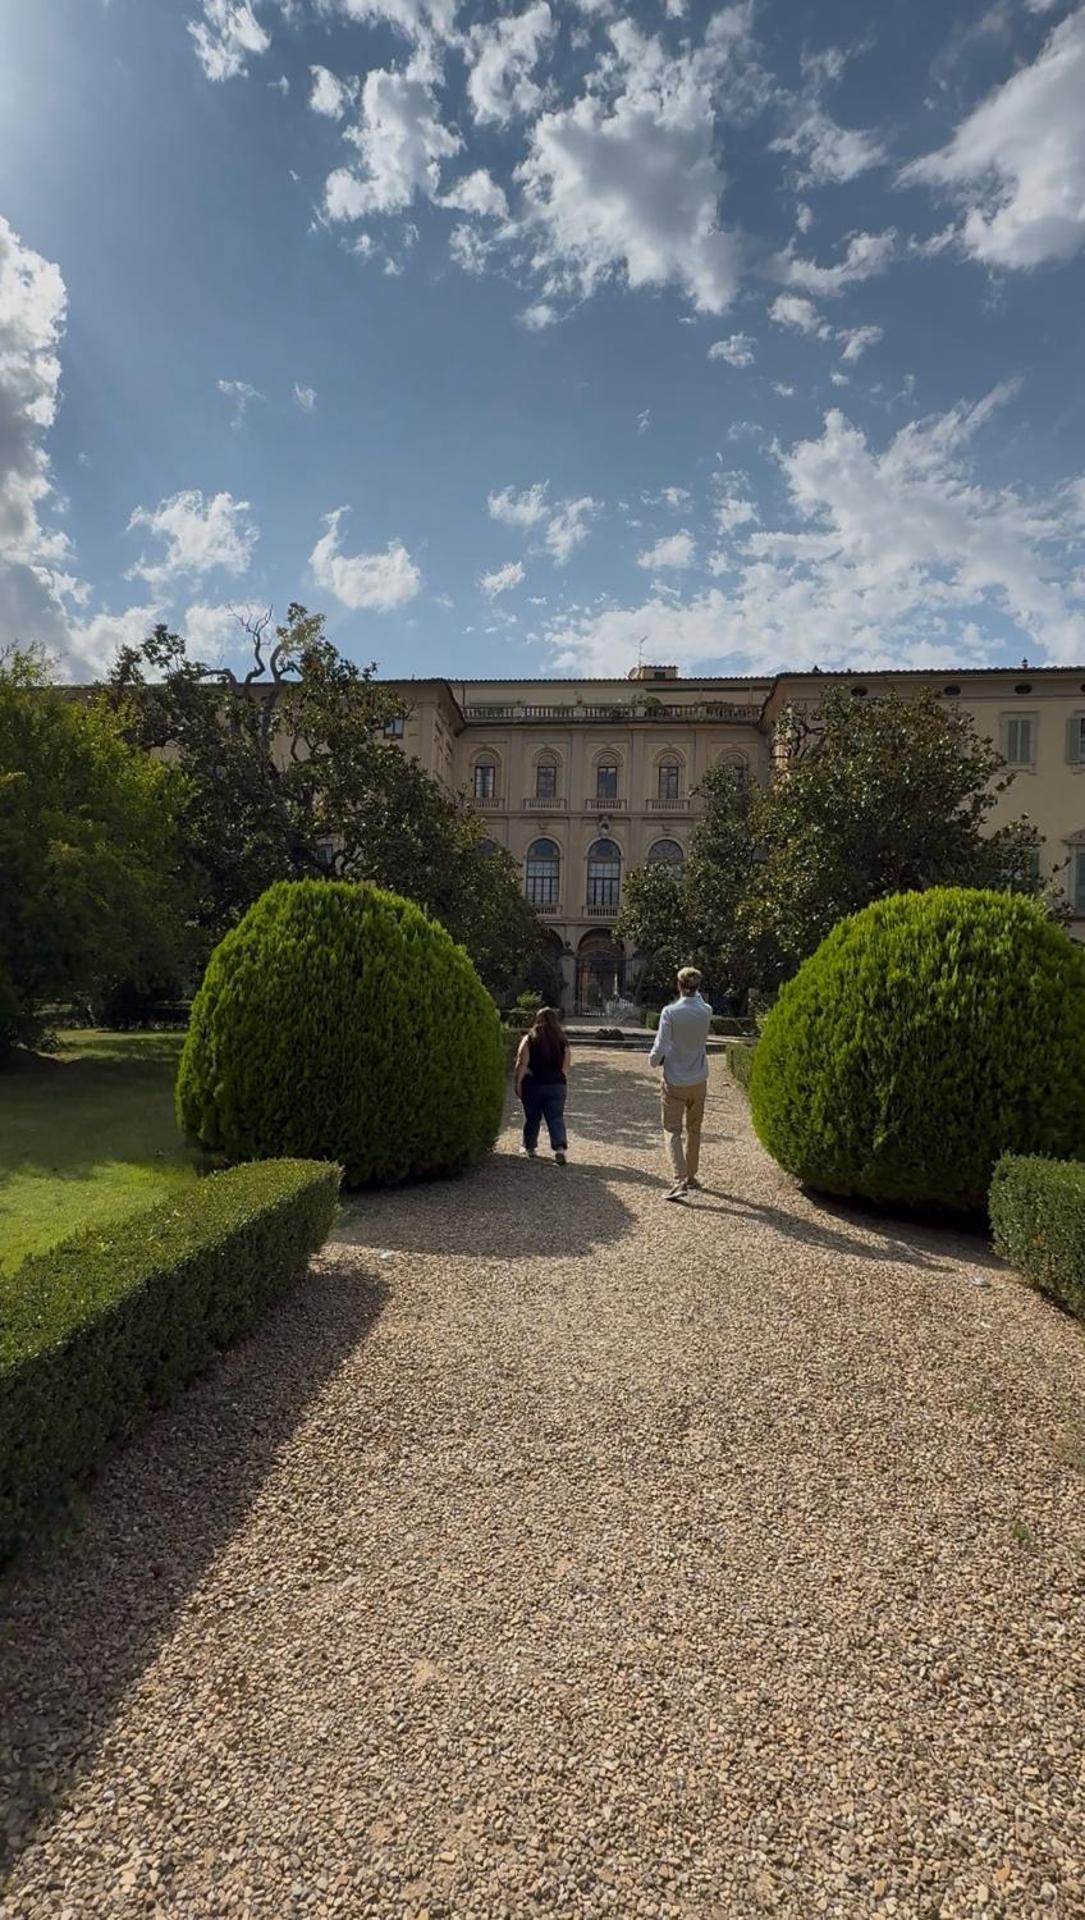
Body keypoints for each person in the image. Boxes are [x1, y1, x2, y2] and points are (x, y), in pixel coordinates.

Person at [648, 966, 712, 1200]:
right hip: (699, 1077)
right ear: (698, 986)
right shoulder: (706, 1010)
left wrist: (653, 1061)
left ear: (678, 985)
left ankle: (679, 1179)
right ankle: (692, 1175)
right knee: (694, 1128)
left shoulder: (670, 1012)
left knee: (672, 1129)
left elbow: (662, 1045)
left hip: (675, 1078)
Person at [514, 1007, 571, 1165]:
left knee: (532, 1117)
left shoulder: (530, 1038)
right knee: (556, 1117)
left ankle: (530, 1147)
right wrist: (560, 1081)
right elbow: (566, 1066)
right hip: (556, 1084)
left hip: (533, 1084)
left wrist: (518, 1082)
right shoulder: (562, 1039)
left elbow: (521, 1062)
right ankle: (559, 1148)